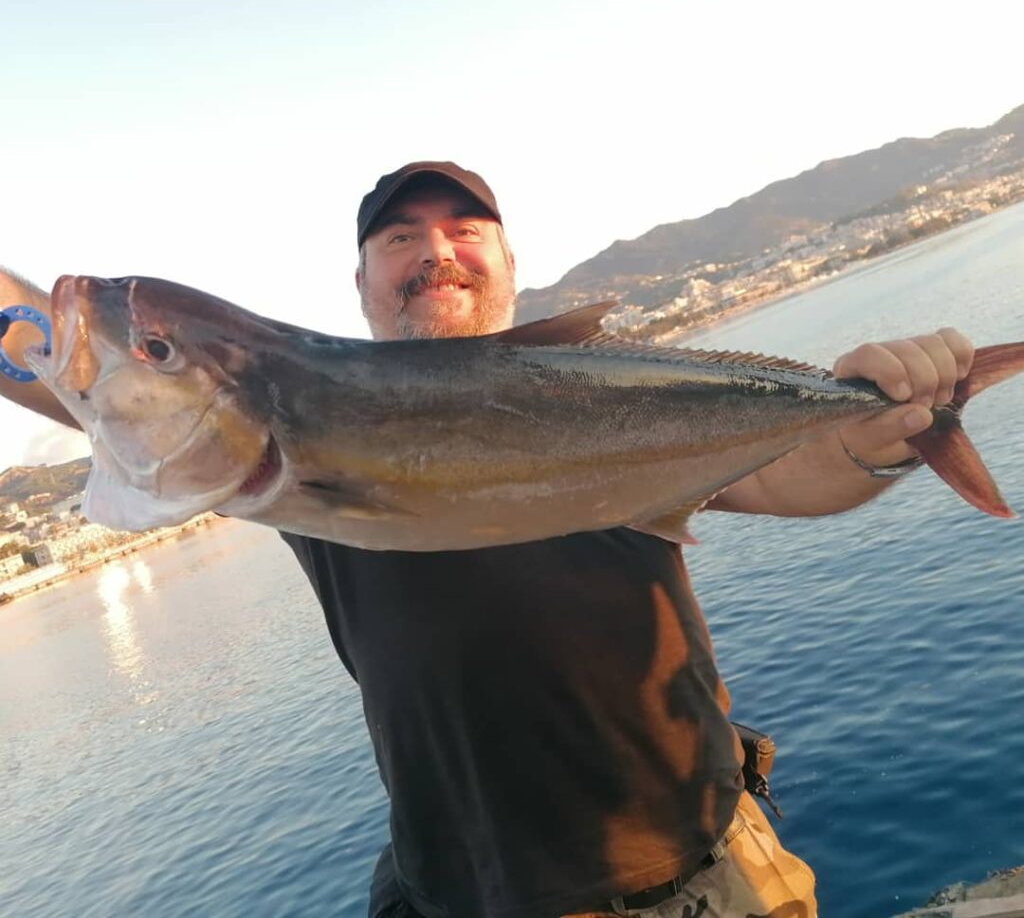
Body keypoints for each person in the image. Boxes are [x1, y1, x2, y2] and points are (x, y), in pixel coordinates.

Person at [0, 162, 973, 918]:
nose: (436, 249)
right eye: (397, 236)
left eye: (465, 229)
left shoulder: (597, 394)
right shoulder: (291, 432)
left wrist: (874, 437)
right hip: (462, 891)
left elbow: (786, 473)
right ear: (361, 279)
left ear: (508, 265)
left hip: (700, 873)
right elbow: (63, 355)